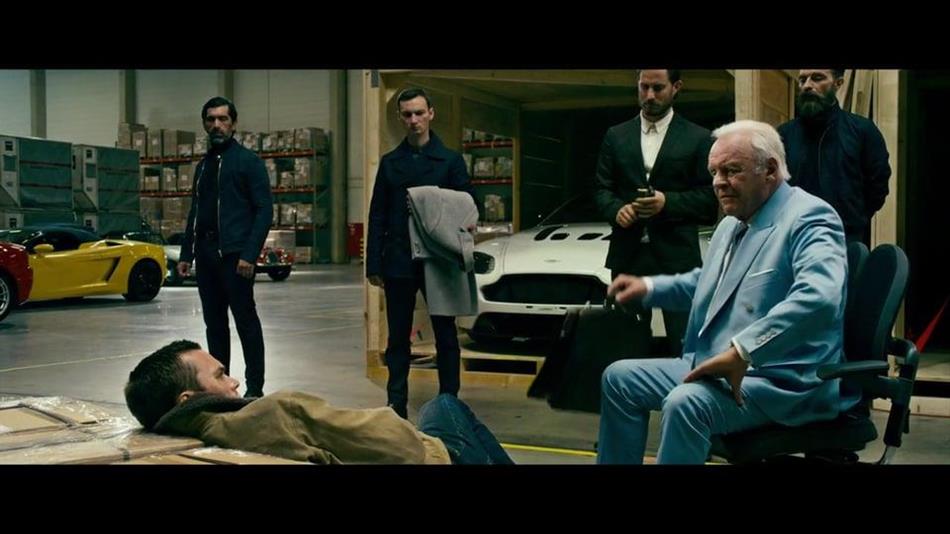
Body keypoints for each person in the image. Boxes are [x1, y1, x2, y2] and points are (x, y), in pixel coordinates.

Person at [597, 120, 857, 464]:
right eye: (714, 172)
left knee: (686, 402)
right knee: (619, 379)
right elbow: (709, 282)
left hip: (782, 381)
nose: (718, 182)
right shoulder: (730, 225)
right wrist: (648, 287)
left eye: (732, 170)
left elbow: (820, 297)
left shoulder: (810, 217)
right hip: (716, 362)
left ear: (770, 170)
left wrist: (743, 351)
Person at [124, 340, 514, 465]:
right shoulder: (276, 411)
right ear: (189, 398)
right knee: (444, 405)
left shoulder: (189, 434)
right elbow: (400, 447)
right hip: (437, 457)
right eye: (220, 375)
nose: (235, 381)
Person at [365, 88, 476, 419]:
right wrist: (373, 263)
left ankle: (449, 402)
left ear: (431, 114)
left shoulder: (450, 161)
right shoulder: (390, 163)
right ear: (400, 118)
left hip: (438, 260)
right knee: (398, 337)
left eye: (419, 113)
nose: (414, 120)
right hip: (399, 259)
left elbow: (469, 206)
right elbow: (377, 214)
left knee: (445, 334)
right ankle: (396, 404)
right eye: (407, 114)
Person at [593, 69, 719, 357]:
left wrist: (667, 202)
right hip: (627, 254)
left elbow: (709, 202)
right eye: (644, 87)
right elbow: (601, 189)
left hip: (678, 257)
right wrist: (616, 209)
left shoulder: (699, 138)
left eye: (658, 88)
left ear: (676, 87)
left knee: (685, 346)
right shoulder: (616, 136)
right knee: (623, 346)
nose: (649, 95)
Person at [177, 96, 273, 398]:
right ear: (205, 124)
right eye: (211, 120)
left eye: (223, 119)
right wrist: (187, 252)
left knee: (246, 322)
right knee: (214, 325)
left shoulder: (248, 162)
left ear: (233, 123)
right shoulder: (203, 166)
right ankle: (221, 387)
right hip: (206, 257)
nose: (217, 125)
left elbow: (264, 211)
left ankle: (255, 388)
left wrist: (249, 254)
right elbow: (195, 212)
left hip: (235, 257)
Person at [778, 69, 891, 246]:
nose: (807, 85)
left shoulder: (862, 131)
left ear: (838, 83)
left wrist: (853, 218)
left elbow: (877, 186)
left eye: (817, 78)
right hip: (792, 239)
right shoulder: (783, 135)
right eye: (802, 80)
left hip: (845, 241)